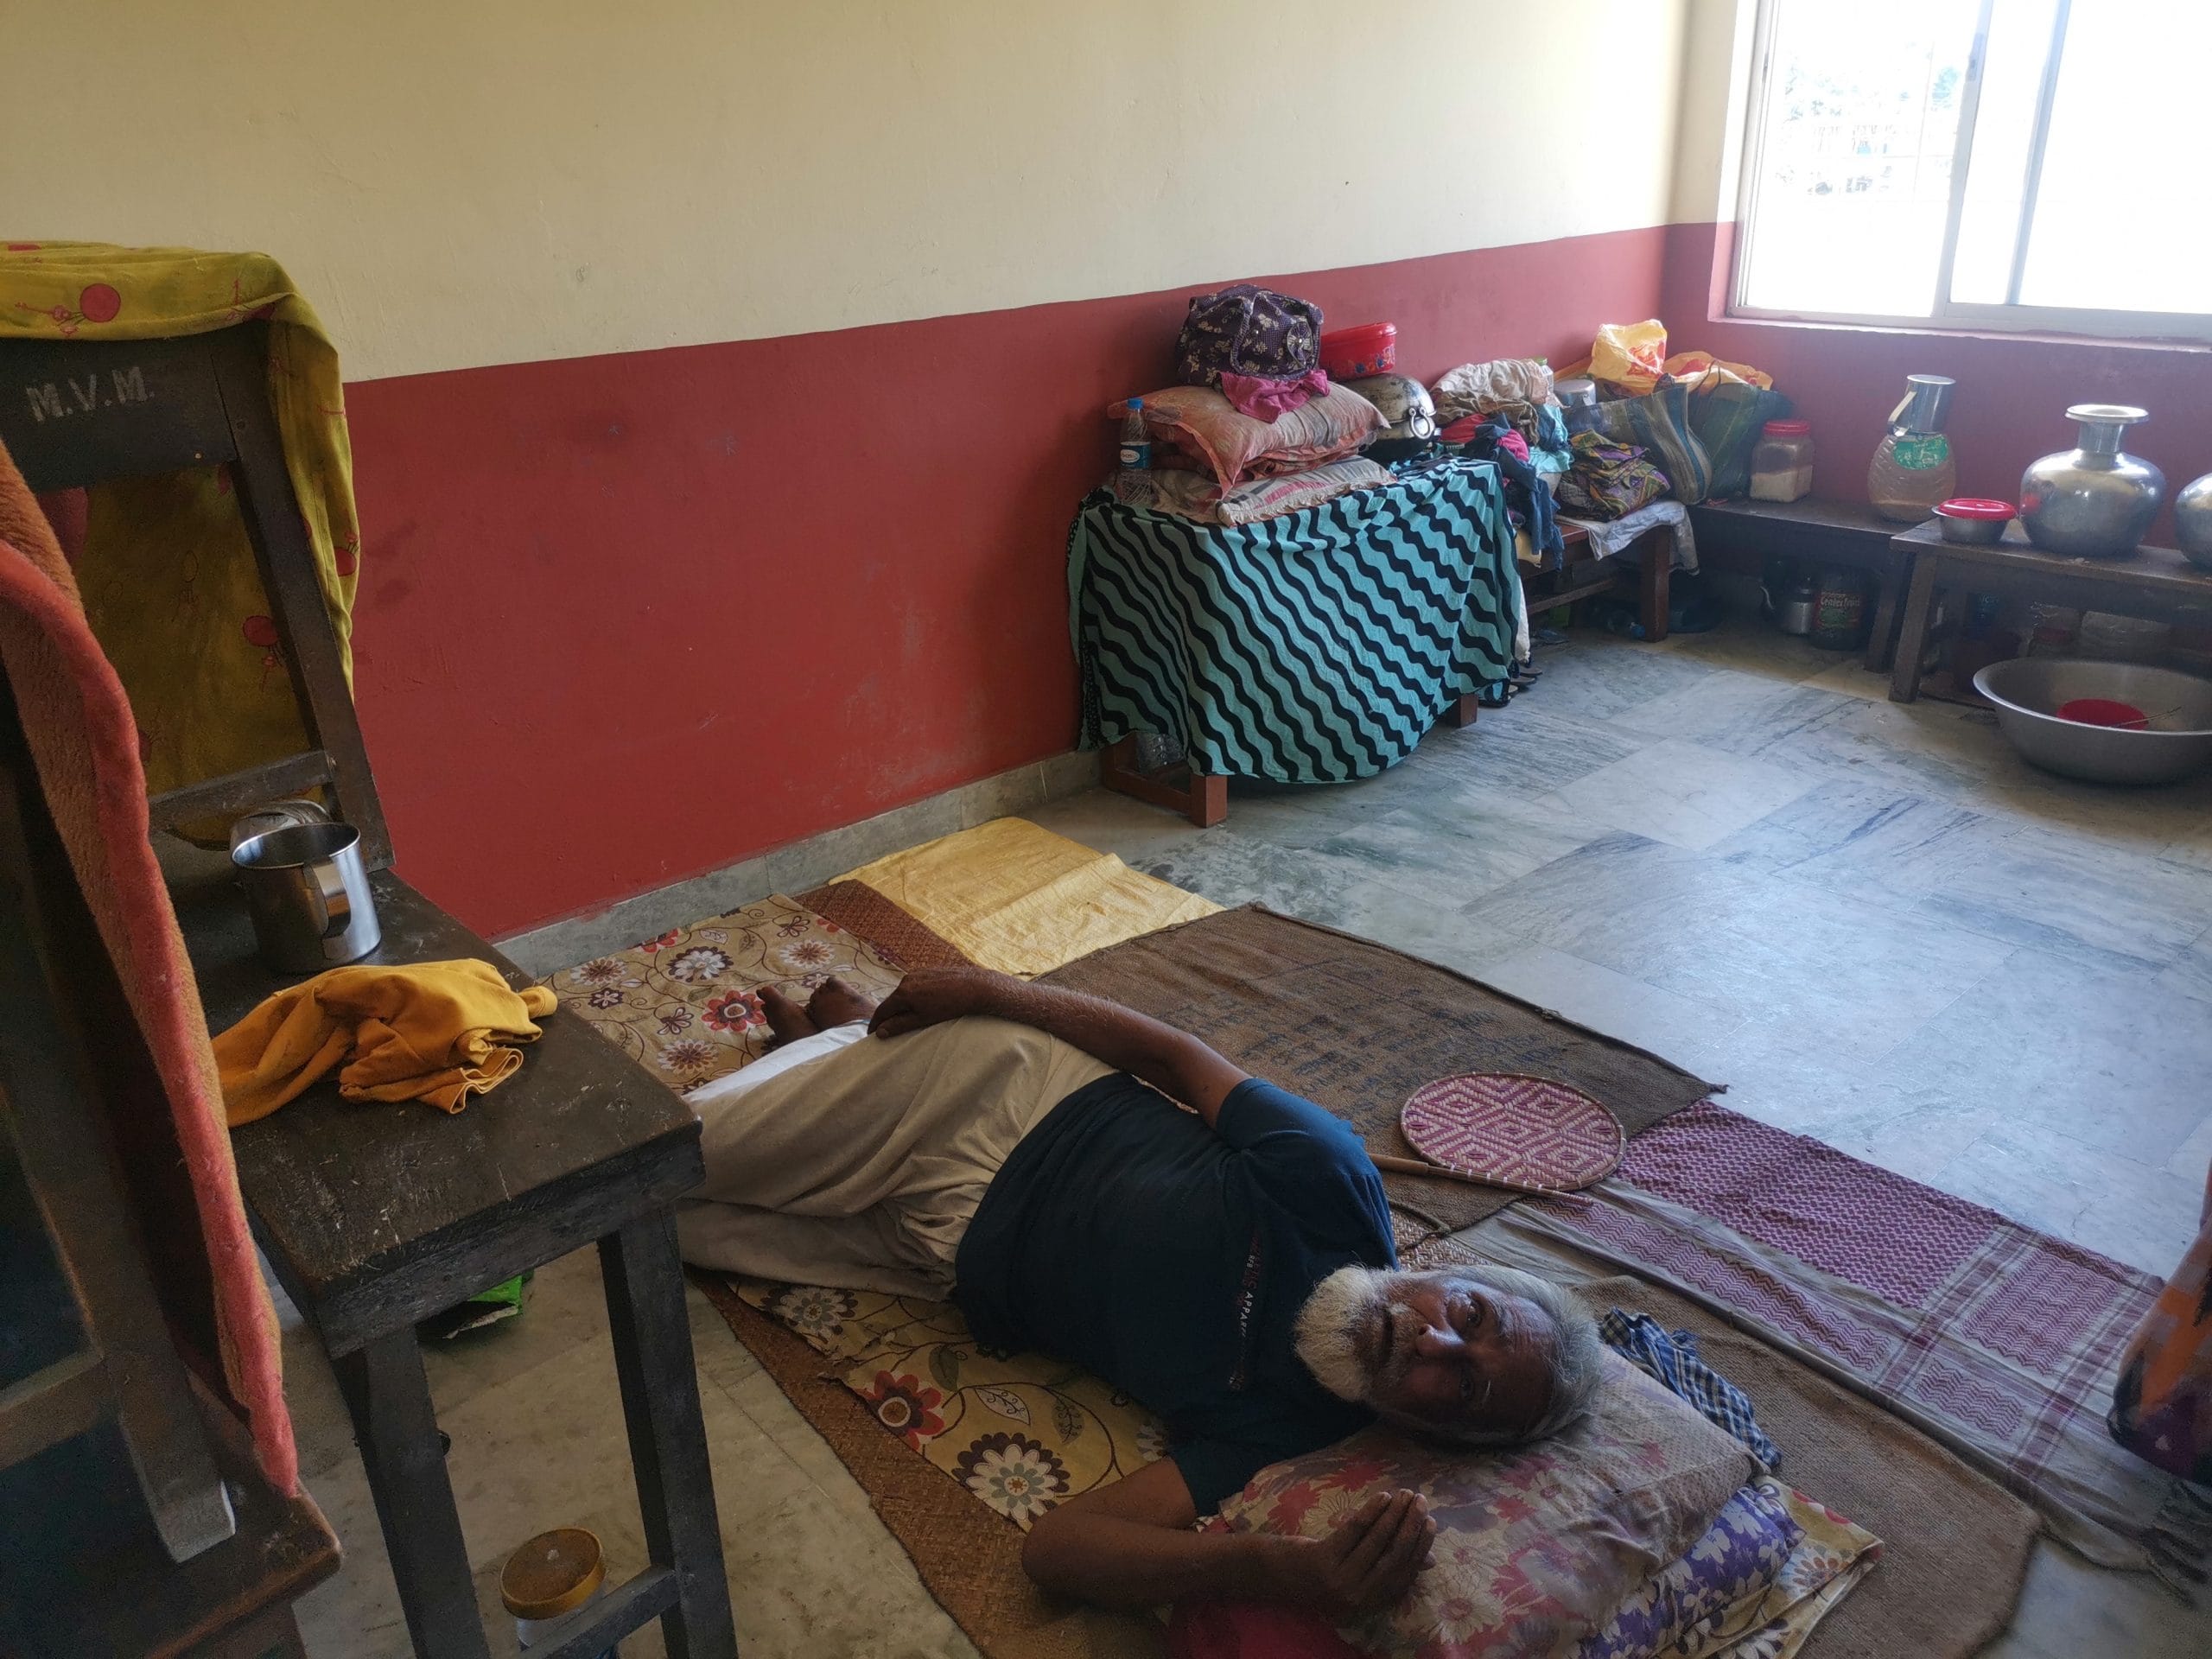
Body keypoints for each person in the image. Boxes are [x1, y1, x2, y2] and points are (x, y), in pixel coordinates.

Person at [678, 966, 1605, 1618]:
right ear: (1447, 1272)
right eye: (1471, 1316)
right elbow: (1171, 1057)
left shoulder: (1295, 1430)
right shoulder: (1329, 1178)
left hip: (938, 1257)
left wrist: (1288, 1575)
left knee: (659, 1233)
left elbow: (1056, 1552)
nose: (1436, 1343)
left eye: (1466, 1387)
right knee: (644, 1162)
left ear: (1431, 1437)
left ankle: (837, 1043)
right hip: (987, 1100)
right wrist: (991, 992)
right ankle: (849, 1047)